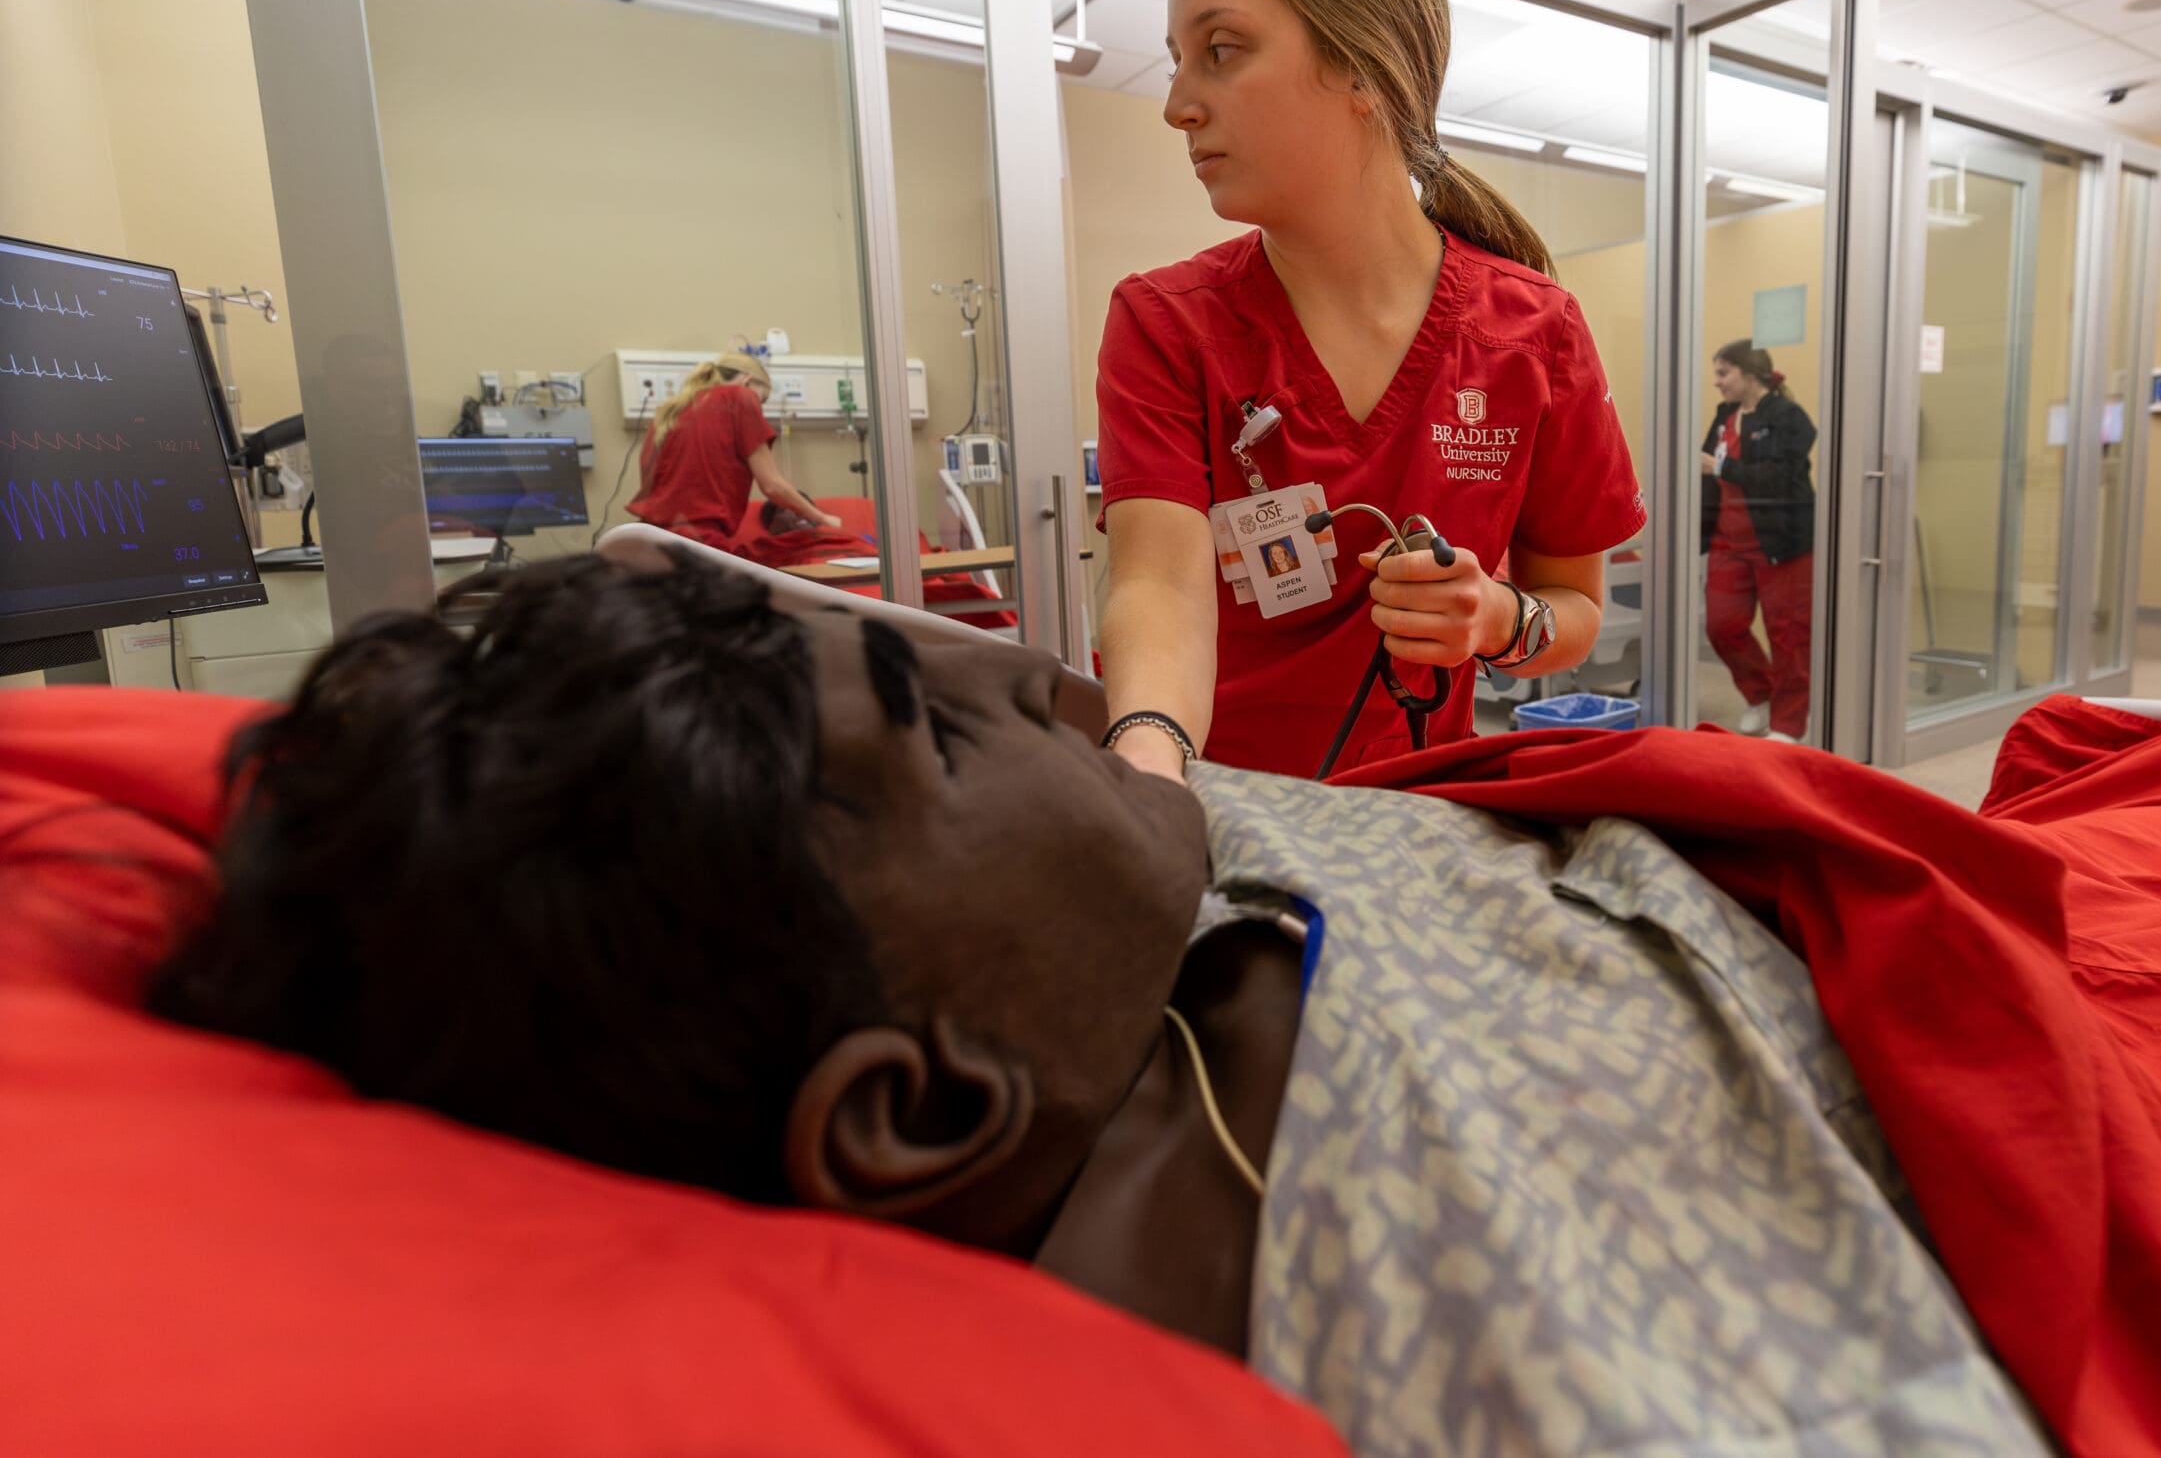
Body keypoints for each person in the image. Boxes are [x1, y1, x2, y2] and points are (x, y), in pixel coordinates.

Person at [146, 554, 2040, 1456]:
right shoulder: (1556, 1353)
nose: (1043, 675)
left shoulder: (1102, 914)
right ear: (922, 1107)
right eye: (944, 725)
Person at [1096, 0, 1645, 781]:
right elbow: (1158, 588)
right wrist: (1149, 760)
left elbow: (1573, 608)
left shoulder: (1532, 332)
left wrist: (1495, 618)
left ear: (1360, 63)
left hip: (1418, 813)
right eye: (1176, 61)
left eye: (1221, 51)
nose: (1177, 104)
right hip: (1221, 802)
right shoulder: (1166, 324)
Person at [1699, 339, 1815, 743]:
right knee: (1721, 626)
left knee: (1789, 635)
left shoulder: (1788, 417)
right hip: (1728, 542)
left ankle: (1788, 724)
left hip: (1781, 544)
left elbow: (1778, 477)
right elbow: (1705, 471)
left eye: (1724, 373)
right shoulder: (1725, 415)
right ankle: (1761, 692)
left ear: (1749, 373)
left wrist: (1722, 467)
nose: (1717, 382)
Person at [626, 350, 839, 553]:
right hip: (699, 544)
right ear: (748, 381)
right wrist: (823, 519)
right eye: (762, 399)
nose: (760, 407)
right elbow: (772, 485)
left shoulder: (670, 411)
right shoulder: (740, 396)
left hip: (647, 541)